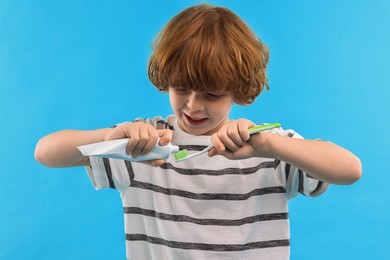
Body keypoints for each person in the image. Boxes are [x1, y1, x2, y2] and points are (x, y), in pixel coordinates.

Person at [34, 4, 362, 260]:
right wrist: (107, 139)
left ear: (239, 90)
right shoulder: (142, 145)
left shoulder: (267, 146)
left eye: (212, 94)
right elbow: (45, 152)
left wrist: (272, 147)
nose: (193, 106)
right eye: (181, 89)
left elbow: (350, 170)